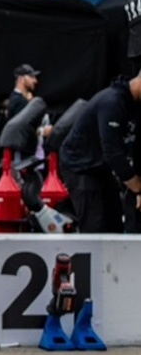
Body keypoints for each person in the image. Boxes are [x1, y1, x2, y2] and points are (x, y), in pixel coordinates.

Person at [59, 69, 141, 233]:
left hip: (102, 167)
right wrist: (138, 188)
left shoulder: (134, 104)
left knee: (114, 224)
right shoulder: (112, 102)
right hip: (80, 166)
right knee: (95, 228)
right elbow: (113, 152)